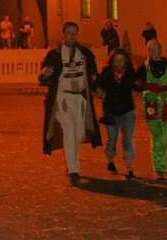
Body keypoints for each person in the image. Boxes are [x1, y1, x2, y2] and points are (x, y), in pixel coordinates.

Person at [39, 22, 102, 185]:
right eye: (69, 32)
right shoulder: (54, 55)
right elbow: (43, 74)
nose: (72, 35)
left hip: (80, 99)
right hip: (63, 98)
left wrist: (97, 87)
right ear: (63, 34)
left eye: (74, 32)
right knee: (68, 131)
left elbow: (93, 74)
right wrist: (45, 73)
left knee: (79, 134)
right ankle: (74, 170)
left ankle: (70, 161)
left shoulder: (85, 53)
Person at [134, 39, 167, 180]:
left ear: (161, 50)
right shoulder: (144, 68)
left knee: (166, 136)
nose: (153, 51)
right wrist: (138, 84)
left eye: (156, 48)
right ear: (147, 51)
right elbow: (137, 85)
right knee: (157, 137)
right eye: (150, 49)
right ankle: (159, 168)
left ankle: (162, 163)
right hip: (152, 107)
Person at [94, 49, 137, 179]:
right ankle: (111, 161)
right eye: (116, 60)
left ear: (126, 61)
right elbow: (99, 86)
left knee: (128, 139)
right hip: (111, 111)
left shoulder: (130, 72)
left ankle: (129, 169)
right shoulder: (107, 72)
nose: (119, 63)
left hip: (127, 110)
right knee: (112, 140)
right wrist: (99, 91)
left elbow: (137, 85)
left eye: (121, 60)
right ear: (112, 61)